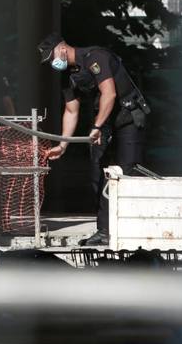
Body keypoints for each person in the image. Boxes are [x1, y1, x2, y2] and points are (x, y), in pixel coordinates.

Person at [39, 32, 149, 248]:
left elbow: (109, 94)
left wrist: (97, 127)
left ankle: (132, 227)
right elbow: (71, 111)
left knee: (127, 172)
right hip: (104, 122)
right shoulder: (68, 76)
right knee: (98, 175)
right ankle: (105, 231)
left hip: (127, 117)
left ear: (62, 49)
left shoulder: (95, 57)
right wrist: (63, 145)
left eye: (52, 58)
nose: (53, 63)